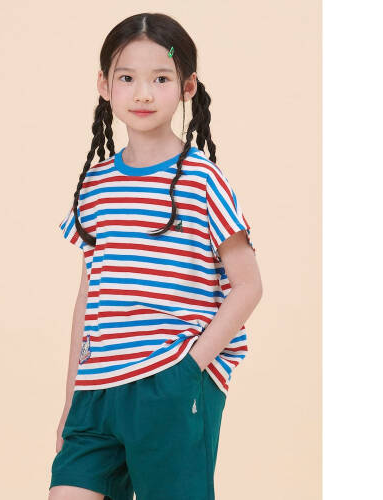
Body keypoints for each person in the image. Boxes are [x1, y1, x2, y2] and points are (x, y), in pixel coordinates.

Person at [48, 12, 263, 500]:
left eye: (160, 79)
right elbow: (89, 294)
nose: (143, 94)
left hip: (169, 381)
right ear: (104, 85)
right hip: (96, 388)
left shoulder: (202, 179)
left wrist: (189, 367)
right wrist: (71, 398)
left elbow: (249, 284)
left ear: (187, 87)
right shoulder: (96, 183)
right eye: (127, 78)